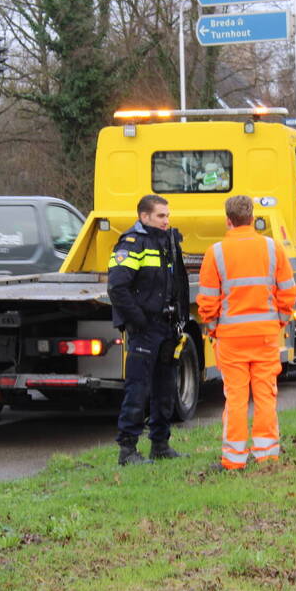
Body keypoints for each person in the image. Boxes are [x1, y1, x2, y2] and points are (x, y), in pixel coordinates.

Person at [197, 195, 296, 470]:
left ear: (228, 220)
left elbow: (207, 300)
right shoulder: (272, 248)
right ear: (252, 218)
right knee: (265, 394)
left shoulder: (215, 252)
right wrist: (277, 321)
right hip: (265, 335)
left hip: (230, 339)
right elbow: (289, 291)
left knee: (236, 398)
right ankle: (266, 455)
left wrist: (213, 327)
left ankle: (234, 460)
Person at [107, 194, 190, 466]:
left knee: (165, 388)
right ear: (144, 217)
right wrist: (138, 321)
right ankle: (128, 450)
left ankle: (160, 445)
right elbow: (117, 287)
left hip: (167, 326)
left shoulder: (168, 241)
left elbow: (176, 282)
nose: (167, 220)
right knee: (138, 389)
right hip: (145, 328)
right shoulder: (132, 243)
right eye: (161, 216)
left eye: (168, 215)